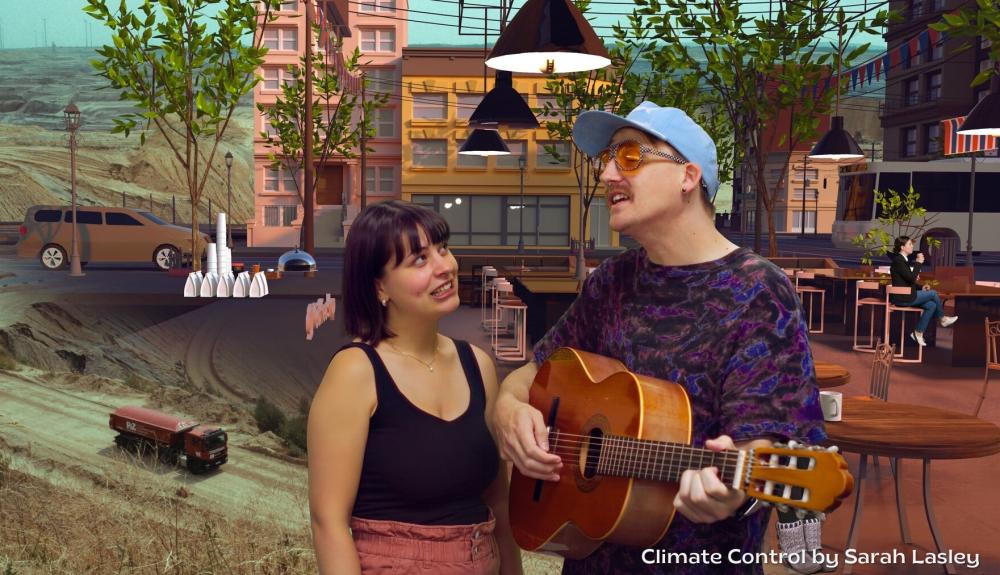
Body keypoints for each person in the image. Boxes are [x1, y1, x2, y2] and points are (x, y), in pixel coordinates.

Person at [491, 101, 826, 575]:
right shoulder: (612, 280)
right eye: (607, 158)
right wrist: (508, 409)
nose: (607, 173)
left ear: (687, 177)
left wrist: (733, 492)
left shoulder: (758, 292)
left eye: (630, 156)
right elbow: (532, 372)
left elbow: (771, 445)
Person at [307, 200, 522, 575]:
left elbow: (499, 506)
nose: (445, 266)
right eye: (420, 259)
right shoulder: (356, 371)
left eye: (443, 248)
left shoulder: (479, 365)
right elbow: (329, 524)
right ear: (379, 286)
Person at [888, 235, 958, 347]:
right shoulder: (898, 261)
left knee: (931, 305)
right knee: (933, 293)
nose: (912, 246)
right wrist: (918, 263)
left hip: (906, 295)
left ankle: (918, 332)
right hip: (903, 297)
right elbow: (911, 278)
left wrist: (921, 288)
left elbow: (907, 281)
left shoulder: (902, 260)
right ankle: (943, 319)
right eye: (910, 244)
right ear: (902, 247)